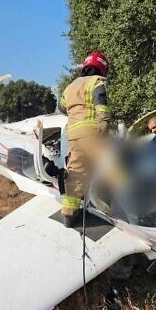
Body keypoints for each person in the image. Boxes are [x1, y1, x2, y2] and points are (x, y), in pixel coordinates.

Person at [57, 51, 110, 228]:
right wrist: (103, 122)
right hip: (92, 131)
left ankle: (69, 215)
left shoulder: (69, 87)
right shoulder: (97, 81)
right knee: (112, 165)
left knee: (76, 174)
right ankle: (134, 200)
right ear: (102, 68)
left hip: (73, 135)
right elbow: (100, 101)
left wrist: (75, 114)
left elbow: (62, 107)